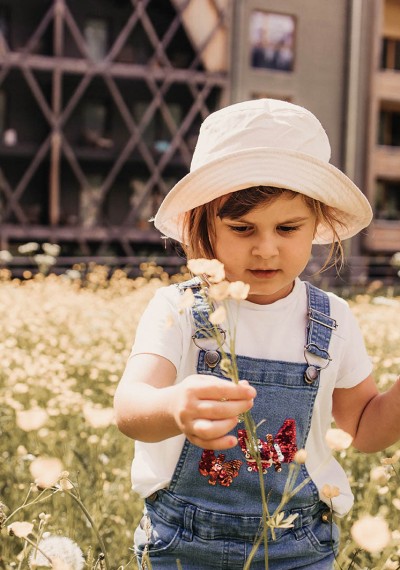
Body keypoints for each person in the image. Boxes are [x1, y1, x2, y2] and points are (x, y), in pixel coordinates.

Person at [114, 98, 400, 569]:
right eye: (242, 227)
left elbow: (364, 430)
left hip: (299, 546)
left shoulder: (333, 319)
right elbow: (129, 407)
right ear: (203, 225)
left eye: (287, 227)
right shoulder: (181, 308)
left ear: (319, 225)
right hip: (182, 542)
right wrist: (172, 406)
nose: (266, 249)